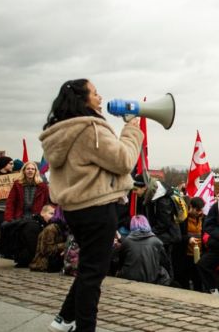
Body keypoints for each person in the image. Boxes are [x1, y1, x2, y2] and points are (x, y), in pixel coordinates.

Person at [40, 79, 143, 332]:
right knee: (93, 274)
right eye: (95, 93)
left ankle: (64, 319)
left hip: (76, 210)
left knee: (89, 267)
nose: (100, 97)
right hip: (98, 208)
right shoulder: (90, 129)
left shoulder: (63, 131)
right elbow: (124, 161)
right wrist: (131, 130)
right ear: (83, 99)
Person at [115, 215, 171, 284]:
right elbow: (165, 262)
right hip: (150, 278)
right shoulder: (157, 242)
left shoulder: (127, 241)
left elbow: (121, 261)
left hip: (127, 276)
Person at [174, 197, 205, 291]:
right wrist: (188, 239)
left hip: (199, 255)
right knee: (184, 280)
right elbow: (177, 236)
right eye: (197, 210)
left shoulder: (204, 219)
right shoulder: (183, 219)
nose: (199, 212)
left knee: (198, 280)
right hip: (185, 255)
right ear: (191, 207)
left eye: (201, 210)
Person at [30, 204, 69, 273]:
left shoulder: (65, 228)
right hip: (44, 264)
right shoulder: (51, 228)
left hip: (56, 262)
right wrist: (66, 245)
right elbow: (46, 250)